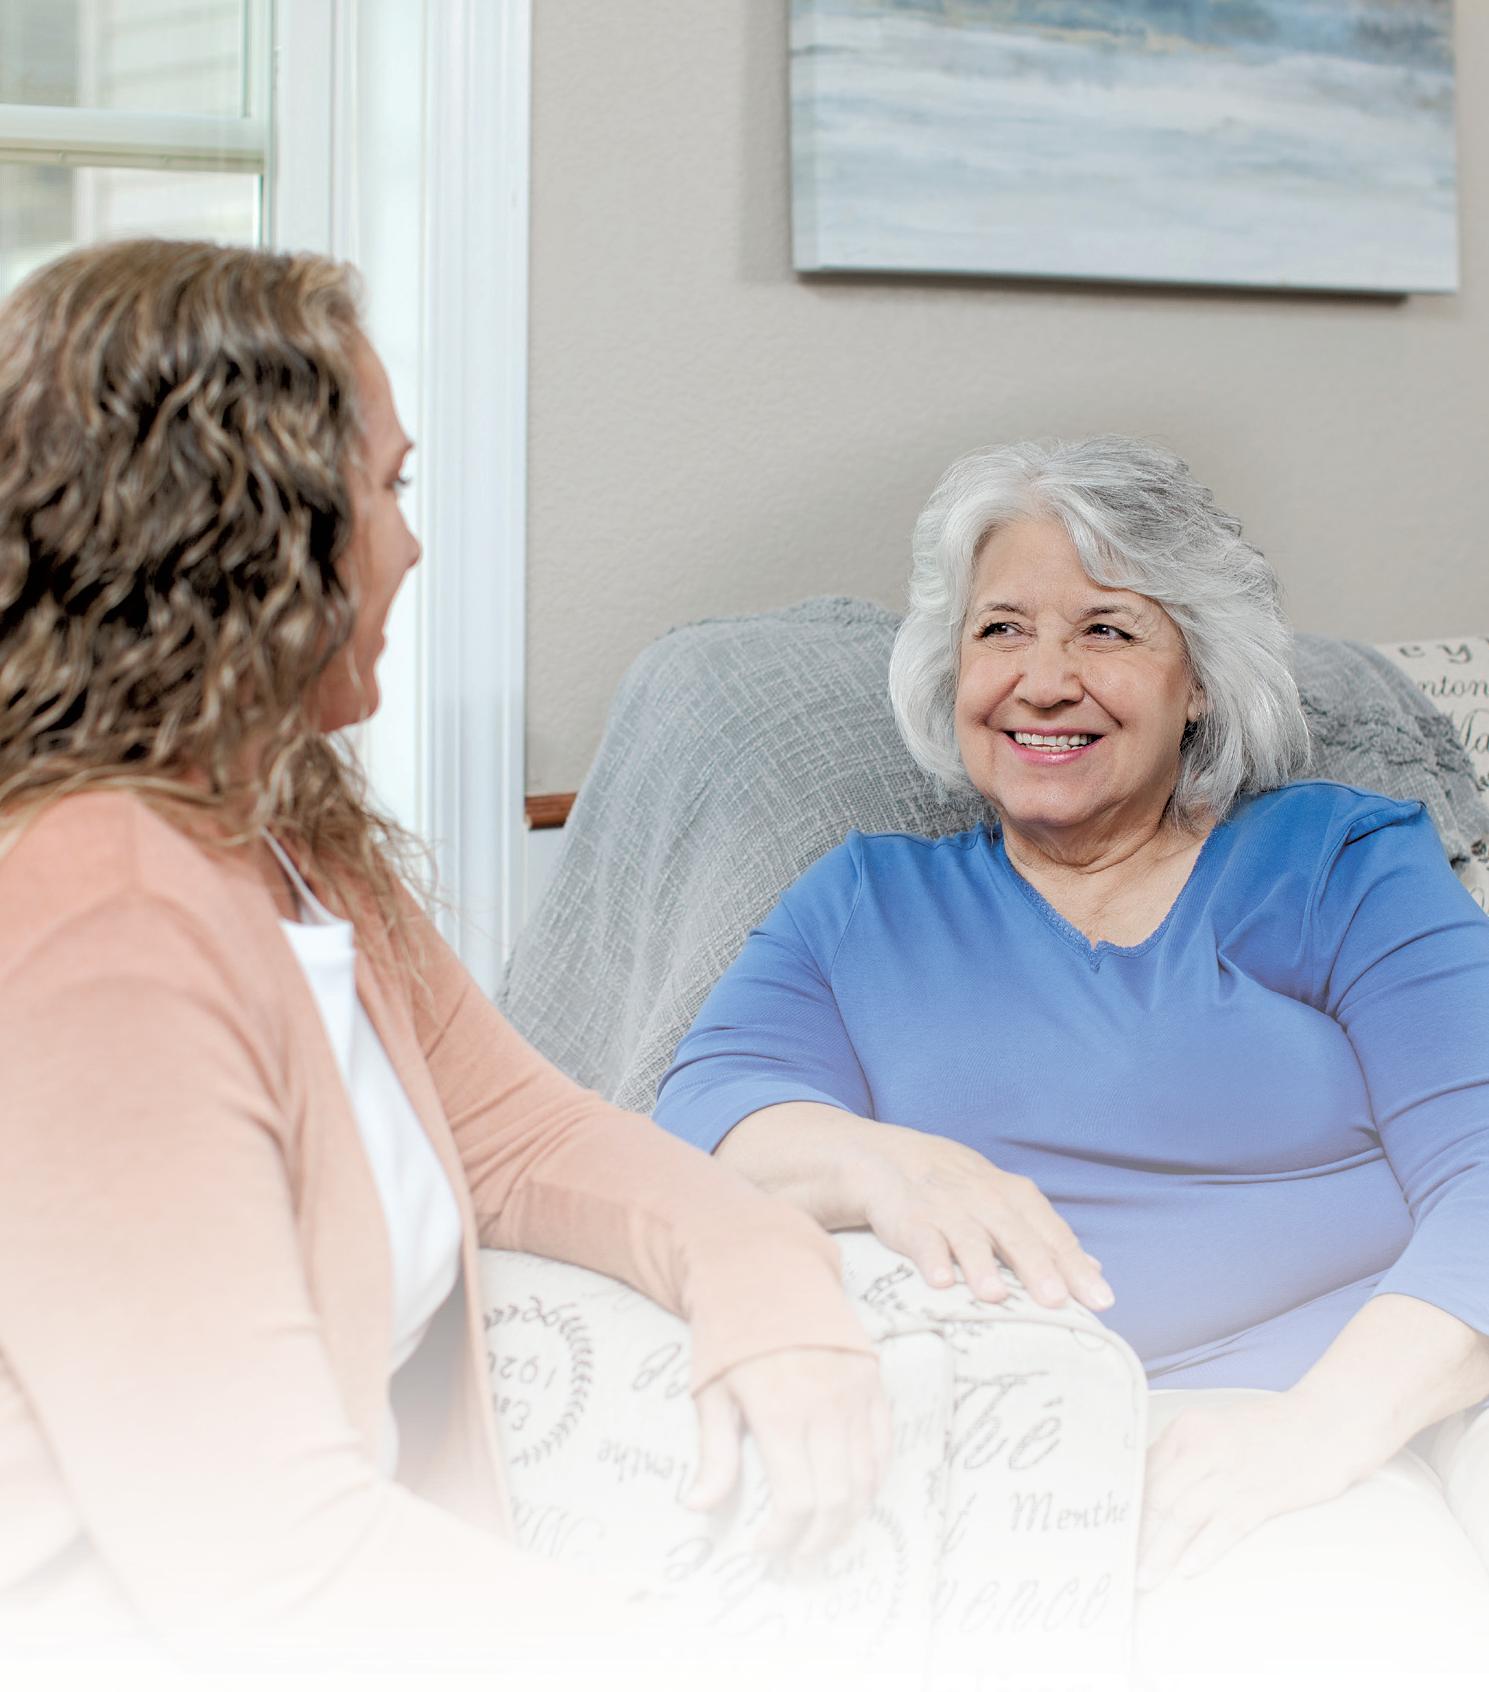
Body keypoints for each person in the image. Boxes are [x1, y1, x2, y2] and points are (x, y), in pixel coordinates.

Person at [0, 239, 888, 1674]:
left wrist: (766, 1276)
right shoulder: (102, 921)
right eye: (391, 488)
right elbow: (262, 1568)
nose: (411, 547)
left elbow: (521, 1134)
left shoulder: (288, 830)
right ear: (247, 529)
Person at [653, 436, 1489, 1682]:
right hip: (1029, 1447)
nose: (1042, 683)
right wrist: (886, 1165)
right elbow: (705, 1115)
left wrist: (1313, 1436)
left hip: (1349, 1420)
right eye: (1001, 630)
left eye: (1106, 631)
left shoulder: (1336, 861)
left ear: (1196, 680)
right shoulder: (866, 904)